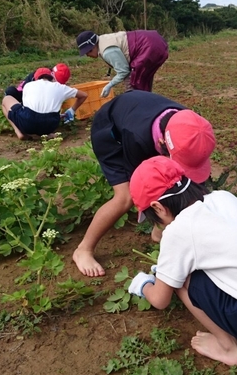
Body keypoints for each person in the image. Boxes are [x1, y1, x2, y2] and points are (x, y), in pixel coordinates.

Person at [127, 156, 237, 366]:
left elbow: (160, 299)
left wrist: (144, 284)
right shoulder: (223, 198)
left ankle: (228, 348)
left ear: (158, 208)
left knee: (181, 279)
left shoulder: (179, 231)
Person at [72, 90, 215, 277]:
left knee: (178, 185)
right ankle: (84, 249)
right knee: (125, 198)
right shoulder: (136, 137)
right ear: (164, 143)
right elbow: (142, 185)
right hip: (111, 132)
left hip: (143, 120)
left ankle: (158, 232)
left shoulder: (192, 129)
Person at [1, 67, 87, 140]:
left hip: (27, 123)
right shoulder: (60, 87)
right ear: (52, 78)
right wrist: (72, 110)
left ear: (35, 78)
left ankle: (18, 131)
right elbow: (84, 95)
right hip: (51, 125)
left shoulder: (29, 85)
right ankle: (47, 134)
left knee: (6, 99)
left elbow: (25, 105)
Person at [75, 30, 168, 97]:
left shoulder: (107, 51)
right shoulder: (103, 39)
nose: (87, 55)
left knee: (134, 82)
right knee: (143, 79)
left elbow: (124, 71)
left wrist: (109, 85)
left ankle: (137, 106)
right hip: (154, 41)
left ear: (92, 46)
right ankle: (146, 101)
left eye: (87, 52)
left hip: (148, 46)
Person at [4, 63, 71, 102]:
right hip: (23, 96)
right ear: (52, 74)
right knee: (10, 91)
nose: (56, 84)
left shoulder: (50, 79)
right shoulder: (40, 76)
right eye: (56, 81)